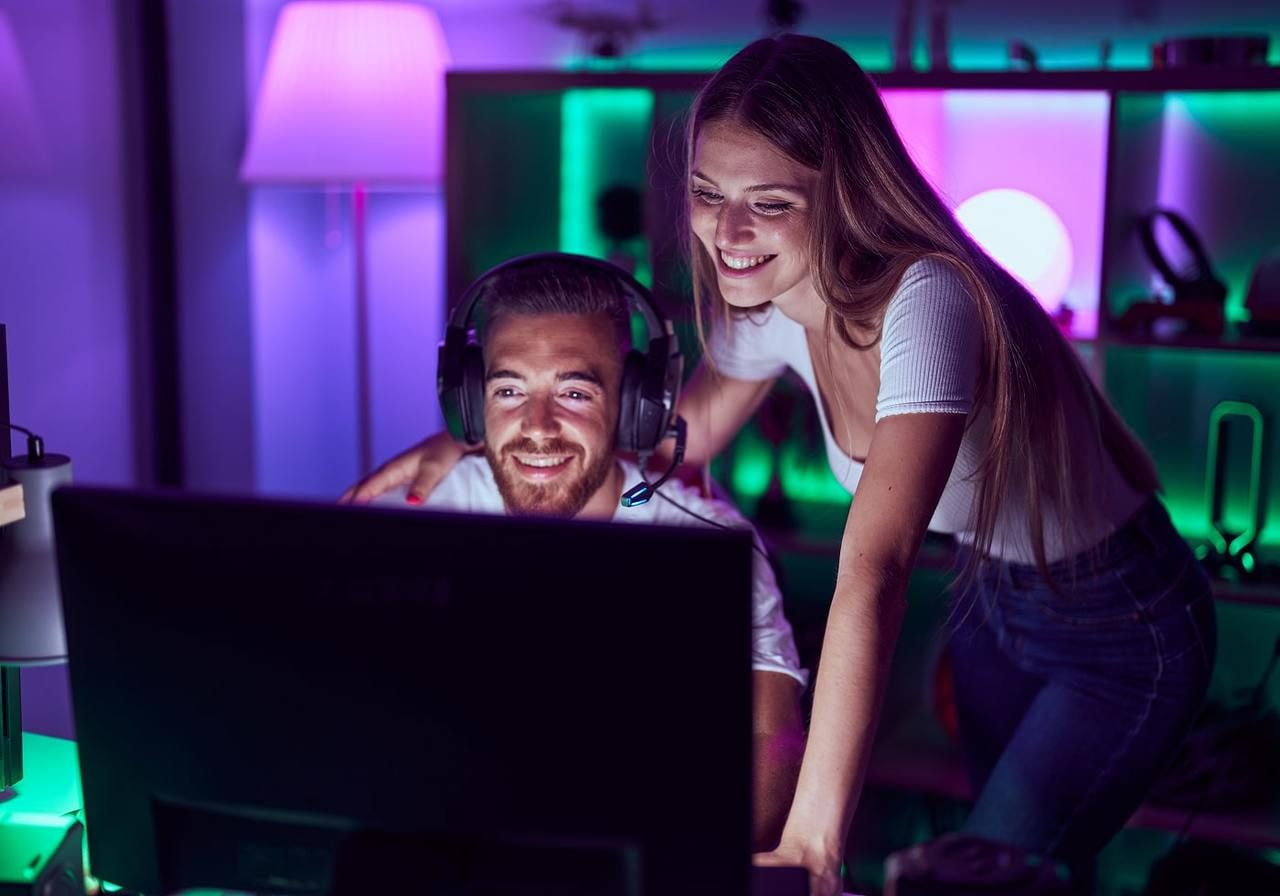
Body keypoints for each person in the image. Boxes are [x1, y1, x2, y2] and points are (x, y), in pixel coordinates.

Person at [345, 36, 1216, 895]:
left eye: (769, 203)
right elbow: (663, 441)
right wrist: (485, 432)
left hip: (1120, 617)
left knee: (988, 876)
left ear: (843, 195)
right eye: (707, 194)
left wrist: (813, 840)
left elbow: (874, 569)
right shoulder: (769, 306)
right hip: (991, 599)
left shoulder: (930, 299)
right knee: (1020, 871)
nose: (728, 234)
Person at [366, 255, 809, 852]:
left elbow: (772, 746)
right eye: (509, 390)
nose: (538, 427)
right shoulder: (414, 515)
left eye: (574, 393)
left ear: (633, 407)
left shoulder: (708, 542)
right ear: (471, 401)